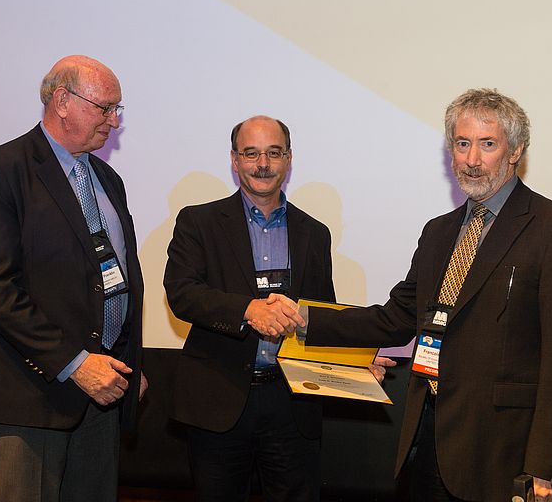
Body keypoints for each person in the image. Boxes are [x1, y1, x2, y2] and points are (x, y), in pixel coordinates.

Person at [297, 89, 552, 501]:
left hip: (502, 455)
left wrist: (543, 471)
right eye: (462, 144)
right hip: (426, 442)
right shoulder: (438, 231)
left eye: (487, 144)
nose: (472, 159)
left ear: (515, 151)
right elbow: (396, 317)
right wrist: (303, 319)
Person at [164, 115, 392, 502]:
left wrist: (353, 363)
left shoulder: (314, 232)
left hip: (292, 405)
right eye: (251, 153)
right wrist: (247, 310)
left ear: (288, 159)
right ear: (234, 160)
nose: (263, 164)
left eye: (273, 153)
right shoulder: (198, 222)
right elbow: (182, 293)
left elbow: (321, 315)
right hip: (219, 399)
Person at [0, 55, 146, 502]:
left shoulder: (108, 179)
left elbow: (115, 280)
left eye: (117, 109)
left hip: (101, 393)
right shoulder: (0, 170)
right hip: (28, 395)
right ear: (62, 101)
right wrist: (76, 363)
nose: (114, 121)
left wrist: (127, 362)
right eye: (105, 108)